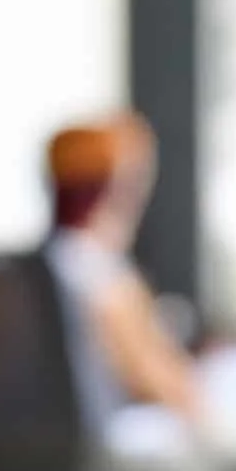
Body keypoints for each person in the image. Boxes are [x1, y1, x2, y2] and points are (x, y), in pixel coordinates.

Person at [43, 114, 205, 433]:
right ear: (117, 188)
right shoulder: (102, 278)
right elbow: (169, 391)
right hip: (107, 452)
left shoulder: (49, 265)